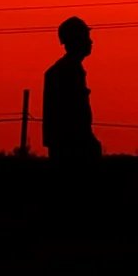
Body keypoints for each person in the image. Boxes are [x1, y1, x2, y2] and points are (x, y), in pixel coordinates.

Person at [42, 15, 101, 166]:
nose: (90, 42)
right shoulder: (67, 71)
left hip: (67, 144)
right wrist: (87, 140)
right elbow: (73, 113)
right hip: (72, 146)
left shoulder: (64, 70)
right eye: (86, 37)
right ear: (76, 41)